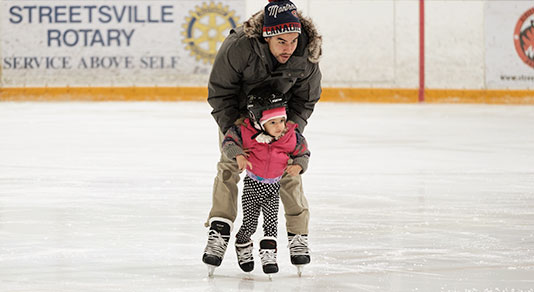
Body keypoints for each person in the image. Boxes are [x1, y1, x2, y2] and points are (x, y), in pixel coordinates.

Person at [202, 0, 322, 273]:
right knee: (230, 164)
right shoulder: (239, 47)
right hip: (241, 115)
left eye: (293, 40)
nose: (289, 48)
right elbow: (220, 92)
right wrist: (236, 128)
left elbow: (307, 98)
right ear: (267, 36)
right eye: (281, 41)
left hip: (281, 117)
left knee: (289, 172)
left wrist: (288, 130)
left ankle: (298, 235)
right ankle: (220, 228)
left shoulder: (306, 54)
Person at [222, 87, 310, 274]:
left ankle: (269, 255)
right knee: (250, 223)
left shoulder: (289, 136)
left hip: (272, 189)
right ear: (260, 124)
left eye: (282, 120)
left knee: (271, 225)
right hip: (252, 188)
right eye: (273, 122)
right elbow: (229, 141)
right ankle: (242, 242)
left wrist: (299, 166)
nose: (280, 126)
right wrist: (238, 155)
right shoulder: (246, 133)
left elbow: (302, 152)